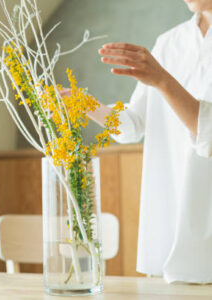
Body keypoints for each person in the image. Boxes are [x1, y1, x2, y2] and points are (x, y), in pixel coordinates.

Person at [63, 0, 212, 283]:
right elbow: (132, 126)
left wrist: (163, 80)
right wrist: (81, 102)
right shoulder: (168, 43)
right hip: (168, 225)